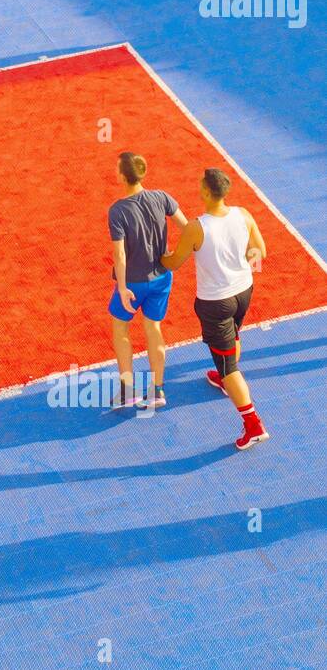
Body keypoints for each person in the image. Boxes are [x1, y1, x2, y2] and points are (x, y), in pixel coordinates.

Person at [160, 168, 269, 451]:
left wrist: (155, 252)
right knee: (233, 334)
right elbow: (260, 251)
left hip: (215, 303)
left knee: (229, 367)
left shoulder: (198, 227)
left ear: (207, 192)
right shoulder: (243, 215)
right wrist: (236, 259)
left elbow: (173, 263)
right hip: (243, 290)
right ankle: (224, 379)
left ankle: (253, 425)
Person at [106, 153, 187, 411]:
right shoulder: (162, 197)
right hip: (162, 278)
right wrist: (177, 257)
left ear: (122, 176)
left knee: (120, 329)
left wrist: (121, 287)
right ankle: (157, 390)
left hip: (133, 283)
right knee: (153, 328)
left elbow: (119, 254)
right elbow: (189, 229)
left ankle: (128, 390)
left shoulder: (117, 211)